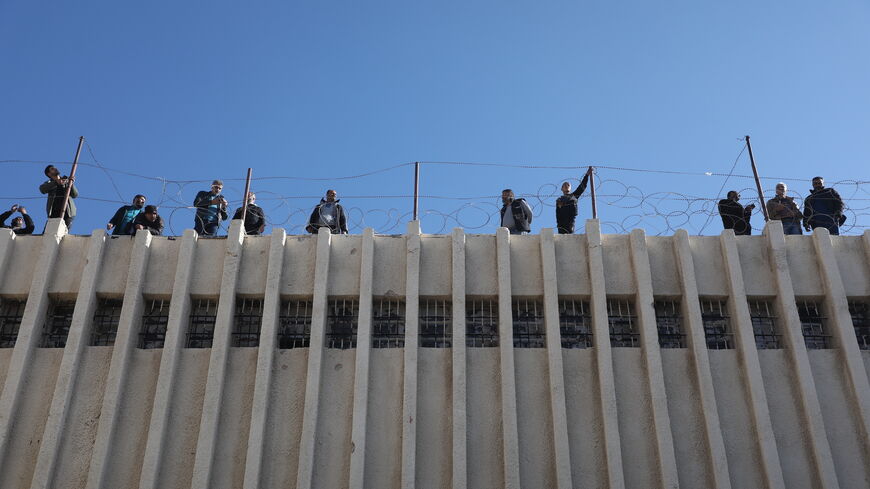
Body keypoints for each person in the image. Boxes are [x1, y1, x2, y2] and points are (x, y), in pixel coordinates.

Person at [39, 165, 78, 230]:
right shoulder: (49, 183)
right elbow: (42, 189)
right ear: (49, 174)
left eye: (55, 168)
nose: (55, 169)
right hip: (54, 212)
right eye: (52, 169)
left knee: (63, 232)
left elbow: (75, 195)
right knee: (48, 232)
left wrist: (71, 184)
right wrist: (56, 182)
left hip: (68, 212)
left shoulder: (66, 180)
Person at [555, 167, 593, 234]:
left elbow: (582, 187)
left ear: (570, 188)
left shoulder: (573, 196)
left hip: (570, 222)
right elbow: (558, 214)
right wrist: (558, 225)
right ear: (561, 188)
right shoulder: (559, 200)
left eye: (568, 185)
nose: (566, 186)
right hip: (562, 224)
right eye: (564, 185)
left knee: (570, 234)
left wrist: (587, 175)